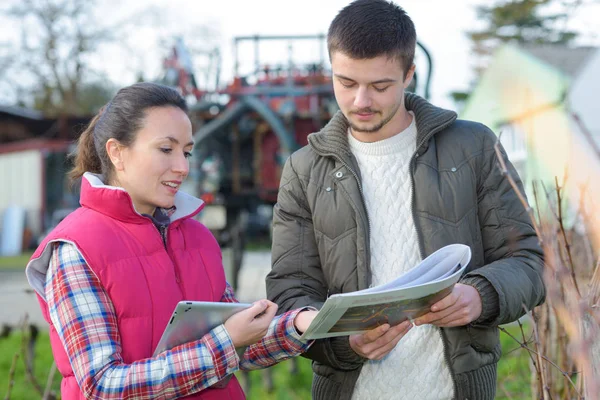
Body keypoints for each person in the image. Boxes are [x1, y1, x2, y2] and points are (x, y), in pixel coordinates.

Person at [265, 1, 545, 399]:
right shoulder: (303, 170)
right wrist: (344, 343)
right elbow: (290, 292)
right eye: (346, 83)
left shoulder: (473, 147)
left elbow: (530, 263)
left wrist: (479, 295)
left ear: (409, 74)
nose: (361, 100)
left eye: (380, 86)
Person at [25, 82, 317, 400]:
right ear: (117, 152)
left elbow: (241, 341)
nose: (182, 167)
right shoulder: (74, 250)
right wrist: (224, 344)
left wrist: (301, 324)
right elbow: (102, 385)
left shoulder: (198, 237)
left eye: (186, 151)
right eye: (166, 149)